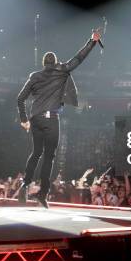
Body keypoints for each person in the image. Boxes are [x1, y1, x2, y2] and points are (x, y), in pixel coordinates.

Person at [16, 29, 101, 208]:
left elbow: (20, 98)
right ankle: (42, 194)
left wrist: (24, 119)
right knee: (49, 157)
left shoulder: (34, 76)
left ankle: (25, 184)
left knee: (36, 153)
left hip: (35, 119)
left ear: (43, 63)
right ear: (54, 62)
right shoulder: (61, 70)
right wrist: (92, 41)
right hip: (50, 119)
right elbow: (78, 58)